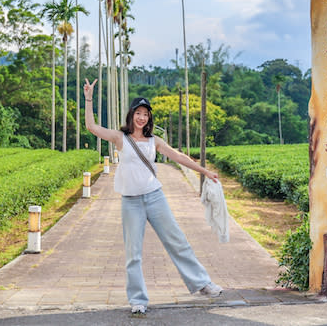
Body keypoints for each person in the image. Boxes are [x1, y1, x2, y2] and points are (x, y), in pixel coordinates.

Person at [83, 80, 223, 315]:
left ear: (149, 118)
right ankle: (138, 299)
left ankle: (202, 283)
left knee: (177, 241)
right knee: (133, 253)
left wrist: (205, 171)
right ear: (131, 115)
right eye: (138, 113)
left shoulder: (153, 141)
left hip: (155, 197)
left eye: (145, 114)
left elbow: (178, 156)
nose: (141, 118)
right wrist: (89, 99)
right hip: (131, 202)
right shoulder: (120, 138)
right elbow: (92, 127)